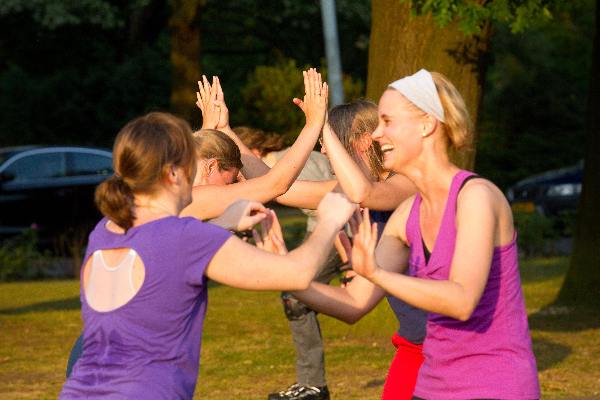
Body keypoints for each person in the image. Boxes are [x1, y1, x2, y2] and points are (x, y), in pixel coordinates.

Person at [60, 111, 357, 399]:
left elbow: (159, 266)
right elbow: (297, 273)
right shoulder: (186, 238)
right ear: (174, 173)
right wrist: (330, 218)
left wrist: (227, 222)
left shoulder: (106, 229)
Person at [347, 69, 540, 399]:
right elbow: (353, 302)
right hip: (433, 387)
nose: (376, 134)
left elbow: (462, 300)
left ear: (426, 125)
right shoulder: (409, 212)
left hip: (496, 386)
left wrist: (376, 273)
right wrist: (284, 274)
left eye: (387, 121)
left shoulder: (476, 196)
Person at [236, 127, 343, 400]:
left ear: (255, 154)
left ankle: (313, 385)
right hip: (325, 230)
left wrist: (348, 259)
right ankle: (312, 383)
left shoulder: (289, 162)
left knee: (294, 296)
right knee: (294, 295)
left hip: (335, 230)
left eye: (240, 168)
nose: (239, 177)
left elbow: (331, 204)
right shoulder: (284, 162)